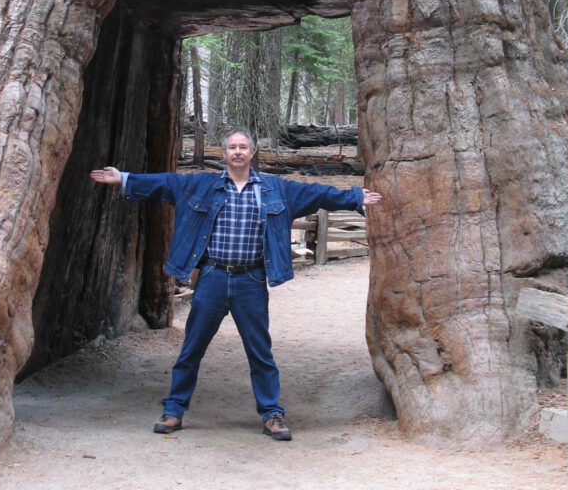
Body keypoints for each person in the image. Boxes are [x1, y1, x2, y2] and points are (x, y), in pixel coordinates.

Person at [90, 127, 382, 441]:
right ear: (226, 153)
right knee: (192, 349)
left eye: (243, 147)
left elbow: (316, 193)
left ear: (252, 153)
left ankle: (272, 414)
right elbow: (165, 183)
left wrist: (353, 197)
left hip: (251, 281)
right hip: (213, 279)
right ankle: (173, 410)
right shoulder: (201, 185)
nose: (238, 152)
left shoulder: (274, 189)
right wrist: (125, 178)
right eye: (232, 147)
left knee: (260, 352)